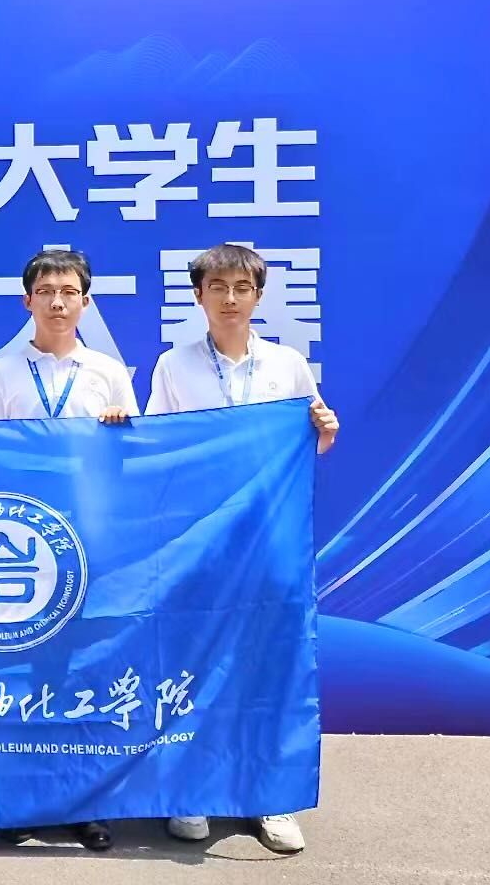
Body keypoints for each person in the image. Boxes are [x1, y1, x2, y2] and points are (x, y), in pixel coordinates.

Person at [143, 243, 338, 855]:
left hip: (270, 539)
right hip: (201, 539)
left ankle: (270, 795)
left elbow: (309, 444)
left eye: (242, 288)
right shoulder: (174, 366)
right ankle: (192, 790)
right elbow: (158, 450)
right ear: (198, 296)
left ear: (258, 296)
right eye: (218, 287)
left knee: (270, 661)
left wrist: (326, 432)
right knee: (196, 659)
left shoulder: (287, 364)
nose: (230, 298)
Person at [0, 248, 137, 852]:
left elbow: (134, 457)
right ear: (28, 301)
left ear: (86, 302)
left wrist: (120, 429)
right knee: (21, 671)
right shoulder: (1, 371)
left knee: (82, 670)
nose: (58, 302)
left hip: (89, 540)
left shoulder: (108, 372)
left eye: (69, 292)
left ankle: (83, 802)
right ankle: (20, 799)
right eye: (46, 292)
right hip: (22, 543)